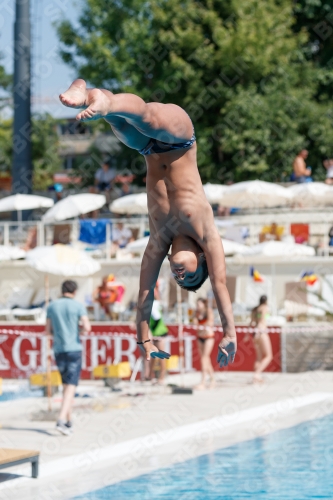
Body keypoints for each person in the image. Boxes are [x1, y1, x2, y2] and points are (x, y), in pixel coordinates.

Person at [59, 79, 237, 367]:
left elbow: (144, 294)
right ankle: (101, 100)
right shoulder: (207, 235)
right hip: (179, 138)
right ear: (202, 257)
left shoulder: (159, 241)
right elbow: (219, 284)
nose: (180, 276)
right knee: (146, 116)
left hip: (147, 149)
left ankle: (85, 90)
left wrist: (144, 338)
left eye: (179, 280)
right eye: (191, 275)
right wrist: (230, 333)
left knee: (118, 122)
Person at [46, 280, 91, 435]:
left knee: (66, 386)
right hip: (74, 349)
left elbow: (47, 331)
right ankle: (60, 420)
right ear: (75, 291)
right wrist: (76, 330)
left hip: (59, 349)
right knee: (71, 386)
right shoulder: (78, 306)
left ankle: (68, 422)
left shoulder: (52, 306)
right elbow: (87, 328)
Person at [244, 295, 273, 383]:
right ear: (266, 301)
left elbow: (251, 322)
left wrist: (247, 334)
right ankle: (257, 373)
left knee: (259, 357)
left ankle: (256, 378)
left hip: (255, 333)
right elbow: (262, 320)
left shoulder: (255, 309)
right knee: (269, 356)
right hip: (261, 331)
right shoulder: (265, 308)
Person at [193, 298, 215, 390]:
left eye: (199, 304)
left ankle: (203, 382)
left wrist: (201, 326)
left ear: (203, 304)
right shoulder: (196, 312)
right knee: (206, 359)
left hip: (208, 337)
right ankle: (213, 380)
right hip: (200, 337)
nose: (197, 306)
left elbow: (210, 321)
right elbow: (194, 323)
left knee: (204, 358)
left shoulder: (208, 311)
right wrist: (199, 326)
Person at [149, 285, 168, 385]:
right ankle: (151, 375)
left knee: (160, 355)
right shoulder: (152, 304)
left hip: (160, 333)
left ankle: (162, 376)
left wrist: (151, 333)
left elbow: (156, 320)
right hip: (156, 333)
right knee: (153, 356)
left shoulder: (153, 305)